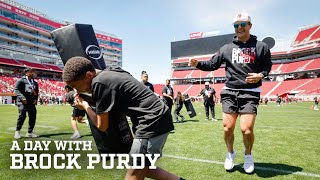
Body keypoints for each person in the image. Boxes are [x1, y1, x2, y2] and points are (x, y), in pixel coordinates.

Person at [62, 57, 182, 180]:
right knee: (144, 169)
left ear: (88, 75)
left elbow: (102, 126)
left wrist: (85, 105)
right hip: (153, 117)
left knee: (133, 173)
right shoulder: (112, 71)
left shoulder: (99, 83)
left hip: (152, 120)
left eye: (76, 86)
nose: (77, 90)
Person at [188, 12, 272, 173]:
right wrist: (197, 63)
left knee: (246, 129)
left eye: (242, 24)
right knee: (227, 128)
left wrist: (260, 75)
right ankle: (230, 153)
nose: (239, 28)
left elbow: (267, 66)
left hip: (250, 92)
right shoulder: (226, 48)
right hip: (230, 92)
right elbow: (212, 64)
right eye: (236, 25)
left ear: (250, 25)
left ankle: (248, 155)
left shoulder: (261, 46)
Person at [14, 67, 39, 139]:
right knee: (22, 116)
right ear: (26, 73)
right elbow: (16, 89)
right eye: (32, 72)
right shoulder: (21, 81)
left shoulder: (35, 82)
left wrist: (35, 99)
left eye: (34, 72)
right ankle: (17, 131)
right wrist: (22, 97)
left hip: (31, 102)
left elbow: (36, 92)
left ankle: (30, 132)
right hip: (22, 102)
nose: (33, 73)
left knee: (33, 116)